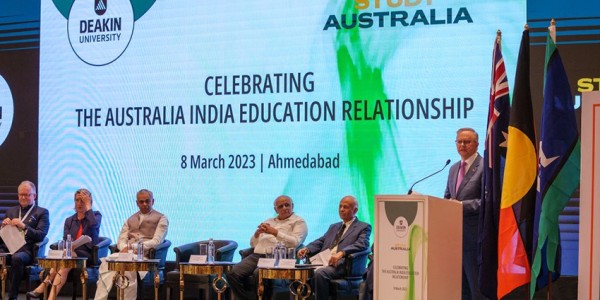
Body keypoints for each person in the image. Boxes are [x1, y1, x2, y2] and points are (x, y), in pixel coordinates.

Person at [227, 195, 307, 300]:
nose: (284, 208)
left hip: (278, 257)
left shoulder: (298, 222)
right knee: (232, 273)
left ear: (292, 206)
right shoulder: (269, 221)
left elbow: (295, 242)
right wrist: (257, 234)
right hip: (257, 255)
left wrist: (275, 232)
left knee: (258, 273)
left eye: (287, 205)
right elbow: (253, 244)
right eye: (280, 206)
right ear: (275, 209)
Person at [94, 189, 169, 300]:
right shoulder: (130, 219)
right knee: (107, 262)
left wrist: (134, 247)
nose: (144, 204)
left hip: (145, 257)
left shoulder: (161, 218)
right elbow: (121, 240)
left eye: (147, 201)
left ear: (153, 201)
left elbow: (157, 241)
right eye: (141, 201)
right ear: (137, 203)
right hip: (127, 254)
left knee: (128, 266)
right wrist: (124, 248)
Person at [27, 188, 101, 299]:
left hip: (88, 254)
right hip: (70, 253)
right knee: (64, 265)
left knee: (66, 259)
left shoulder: (95, 215)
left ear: (89, 201)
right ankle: (51, 297)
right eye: (77, 200)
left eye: (83, 201)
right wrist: (71, 245)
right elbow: (66, 239)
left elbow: (93, 225)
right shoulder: (69, 220)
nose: (79, 204)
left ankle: (43, 286)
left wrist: (88, 206)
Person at [297, 195, 371, 300]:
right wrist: (307, 249)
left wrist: (342, 253)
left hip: (343, 265)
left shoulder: (363, 227)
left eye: (345, 207)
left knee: (320, 273)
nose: (341, 209)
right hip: (323, 261)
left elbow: (362, 244)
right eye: (340, 206)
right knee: (299, 271)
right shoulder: (334, 226)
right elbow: (321, 241)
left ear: (355, 210)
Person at [444, 127, 484, 300]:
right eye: (459, 141)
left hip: (474, 238)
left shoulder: (485, 167)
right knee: (461, 291)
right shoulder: (453, 168)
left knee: (476, 289)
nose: (462, 145)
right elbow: (447, 197)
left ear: (476, 144)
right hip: (454, 240)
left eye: (467, 141)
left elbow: (487, 202)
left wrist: (460, 205)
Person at [0, 181, 50, 300]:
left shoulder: (42, 212)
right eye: (21, 194)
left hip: (27, 251)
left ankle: (13, 297)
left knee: (17, 257)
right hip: (9, 248)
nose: (23, 197)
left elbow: (41, 235)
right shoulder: (11, 211)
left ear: (34, 196)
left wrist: (24, 226)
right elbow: (3, 236)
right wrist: (3, 227)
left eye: (27, 195)